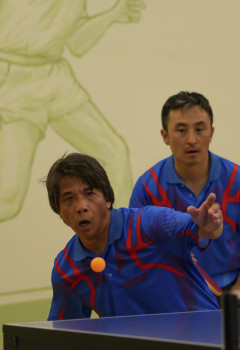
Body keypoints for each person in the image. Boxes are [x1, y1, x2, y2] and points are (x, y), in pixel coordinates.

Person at [18, 152, 223, 350]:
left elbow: (198, 228)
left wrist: (209, 225)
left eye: (89, 194)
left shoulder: (148, 224)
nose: (81, 207)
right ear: (60, 212)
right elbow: (61, 326)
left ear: (107, 199)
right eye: (69, 199)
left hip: (199, 343)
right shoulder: (68, 269)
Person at [0, 0, 146, 222]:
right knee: (9, 200)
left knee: (115, 154)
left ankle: (124, 239)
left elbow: (77, 42)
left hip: (55, 78)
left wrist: (113, 14)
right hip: (16, 80)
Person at [129, 91, 240, 296]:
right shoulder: (147, 186)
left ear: (211, 133)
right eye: (181, 130)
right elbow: (135, 244)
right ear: (165, 136)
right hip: (172, 293)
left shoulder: (238, 179)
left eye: (199, 129)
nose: (191, 139)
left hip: (226, 290)